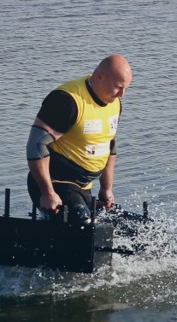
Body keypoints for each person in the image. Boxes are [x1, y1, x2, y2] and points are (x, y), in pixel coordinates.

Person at [26, 54, 133, 224]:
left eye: (126, 88)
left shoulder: (115, 103)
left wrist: (106, 188)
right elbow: (36, 145)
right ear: (99, 77)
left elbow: (109, 145)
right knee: (86, 227)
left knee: (134, 226)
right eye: (118, 87)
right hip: (56, 183)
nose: (122, 94)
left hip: (84, 188)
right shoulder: (67, 100)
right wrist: (47, 193)